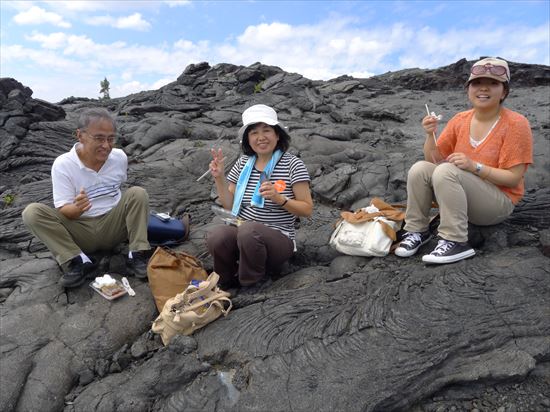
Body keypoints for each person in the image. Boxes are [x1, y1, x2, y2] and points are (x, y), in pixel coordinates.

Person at [395, 57, 533, 264]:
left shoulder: (516, 124)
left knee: (446, 171)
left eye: (493, 84)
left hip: (497, 203)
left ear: (504, 92)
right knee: (420, 168)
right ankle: (417, 231)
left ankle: (456, 240)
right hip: (460, 197)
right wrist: (429, 134)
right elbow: (433, 159)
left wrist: (474, 166)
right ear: (468, 90)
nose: (483, 89)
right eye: (476, 83)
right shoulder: (460, 119)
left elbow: (513, 179)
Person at [22, 108, 151, 287]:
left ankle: (136, 254)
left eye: (110, 138)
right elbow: (64, 209)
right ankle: (78, 260)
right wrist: (77, 208)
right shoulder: (63, 165)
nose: (106, 145)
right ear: (80, 136)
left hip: (114, 226)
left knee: (137, 193)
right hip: (81, 230)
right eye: (99, 138)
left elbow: (122, 189)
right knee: (32, 213)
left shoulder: (119, 158)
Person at [206, 104, 313, 287]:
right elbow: (230, 207)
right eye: (254, 132)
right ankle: (225, 281)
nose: (261, 137)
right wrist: (219, 178)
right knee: (217, 235)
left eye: (267, 131)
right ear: (247, 139)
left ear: (277, 135)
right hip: (243, 233)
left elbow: (307, 209)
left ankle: (252, 282)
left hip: (279, 240)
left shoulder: (293, 164)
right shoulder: (243, 164)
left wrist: (280, 199)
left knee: (250, 231)